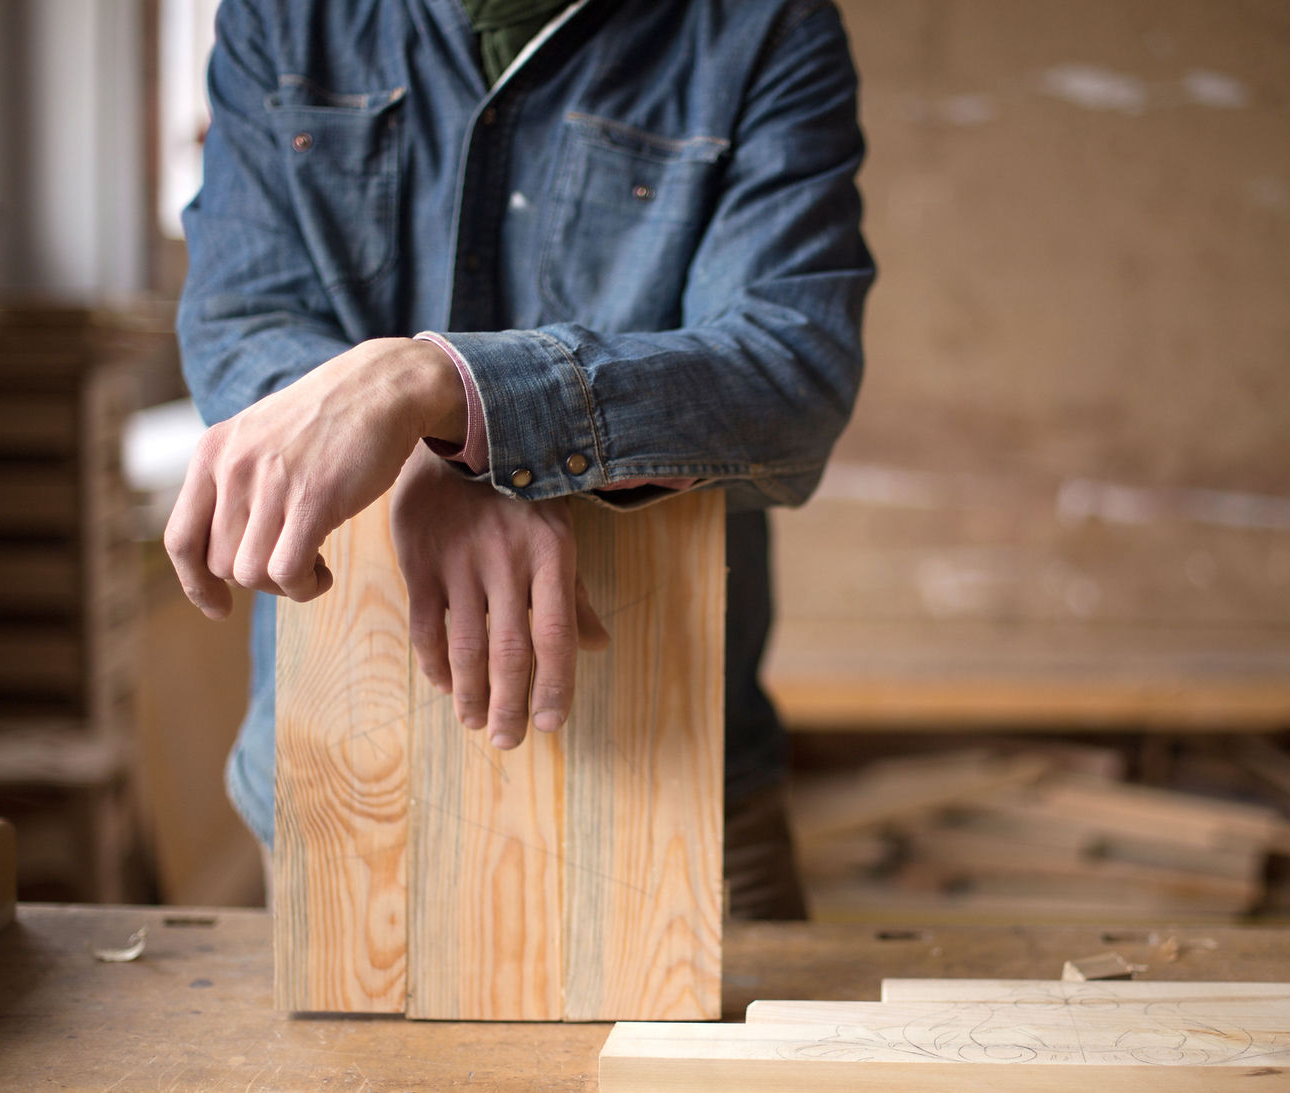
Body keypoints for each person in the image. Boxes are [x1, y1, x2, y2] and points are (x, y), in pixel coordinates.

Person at [168, 0, 873, 919]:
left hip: (675, 798)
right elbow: (237, 318)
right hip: (344, 792)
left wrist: (447, 387)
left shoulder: (763, 23)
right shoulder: (283, 16)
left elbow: (789, 371)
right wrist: (445, 438)